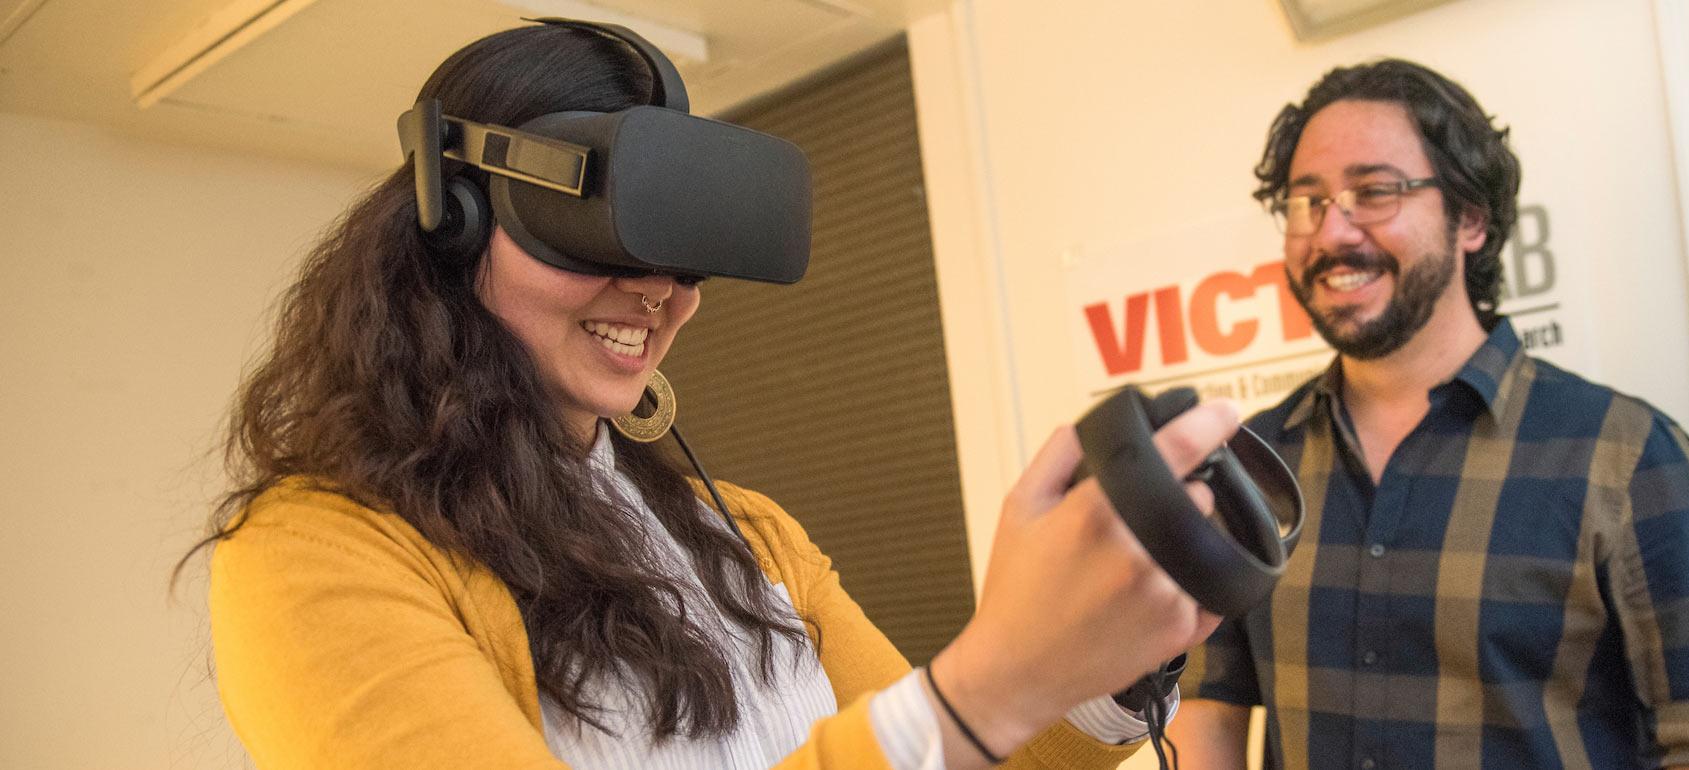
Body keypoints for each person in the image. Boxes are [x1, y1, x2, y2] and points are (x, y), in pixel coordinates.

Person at [193, 22, 1227, 769]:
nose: (656, 291)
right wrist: (984, 683)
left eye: (686, 251)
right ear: (455, 218)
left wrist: (1104, 663)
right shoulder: (315, 559)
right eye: (599, 233)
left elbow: (954, 754)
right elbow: (941, 726)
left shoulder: (743, 536)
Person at [1164, 60, 1689, 769]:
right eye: (1307, 202)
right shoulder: (1252, 463)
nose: (1333, 231)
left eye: (1374, 192)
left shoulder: (1627, 456)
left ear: (1471, 221)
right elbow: (1208, 707)